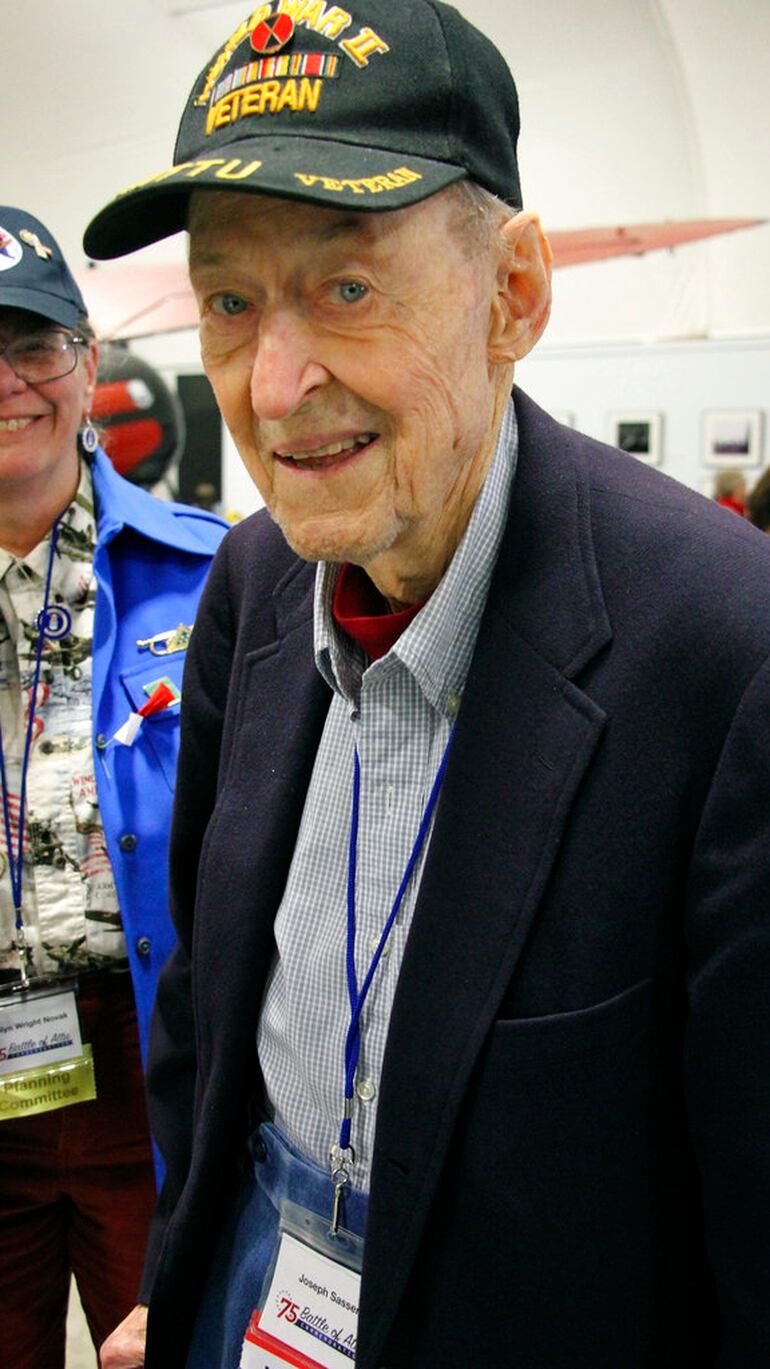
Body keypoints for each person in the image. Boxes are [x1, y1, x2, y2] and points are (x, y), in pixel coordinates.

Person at [84, 2, 770, 1365]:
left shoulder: (721, 651)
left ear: (511, 293)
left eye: (346, 287)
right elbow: (212, 1010)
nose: (275, 389)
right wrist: (186, 1268)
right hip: (257, 1273)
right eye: (229, 302)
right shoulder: (255, 589)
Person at [0, 206, 227, 1368]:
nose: (9, 382)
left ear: (88, 368)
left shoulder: (214, 574)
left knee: (171, 1347)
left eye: (33, 347)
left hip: (146, 1069)